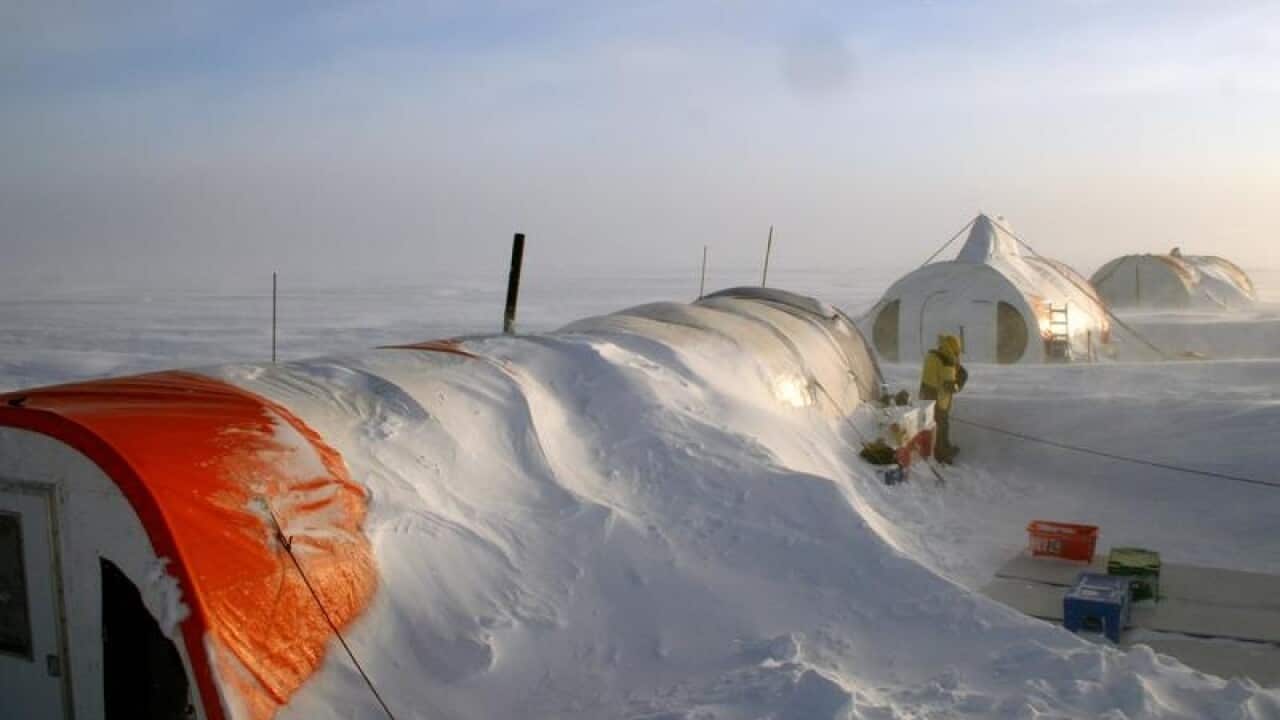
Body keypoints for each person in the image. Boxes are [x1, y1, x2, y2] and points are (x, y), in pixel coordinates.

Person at [919, 334, 967, 464]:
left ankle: (943, 449)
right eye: (957, 351)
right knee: (940, 426)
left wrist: (956, 380)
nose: (958, 355)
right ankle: (941, 455)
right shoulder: (941, 360)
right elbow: (941, 385)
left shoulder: (940, 357)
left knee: (939, 426)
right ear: (952, 348)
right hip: (937, 400)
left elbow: (954, 373)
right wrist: (959, 382)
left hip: (934, 397)